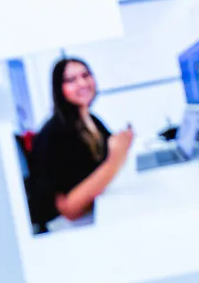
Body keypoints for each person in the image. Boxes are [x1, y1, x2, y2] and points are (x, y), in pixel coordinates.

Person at [28, 56, 133, 231]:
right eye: (71, 80)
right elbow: (69, 209)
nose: (82, 83)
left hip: (94, 209)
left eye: (86, 75)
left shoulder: (91, 120)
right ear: (59, 89)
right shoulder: (55, 134)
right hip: (67, 226)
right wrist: (115, 158)